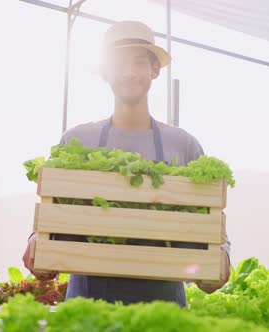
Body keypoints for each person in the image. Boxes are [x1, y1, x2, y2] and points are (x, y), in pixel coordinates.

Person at [22, 21, 231, 307]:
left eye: (139, 62)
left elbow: (210, 227)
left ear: (154, 70)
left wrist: (221, 258)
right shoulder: (77, 139)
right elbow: (53, 215)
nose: (129, 72)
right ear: (106, 71)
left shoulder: (183, 145)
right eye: (119, 63)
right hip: (88, 303)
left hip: (163, 306)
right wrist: (38, 241)